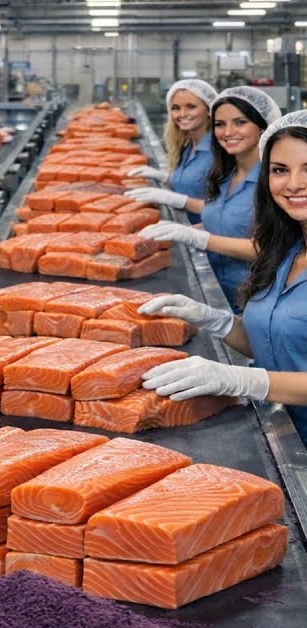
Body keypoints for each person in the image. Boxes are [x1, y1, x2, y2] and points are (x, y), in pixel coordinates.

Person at [141, 110, 307, 442]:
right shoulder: (285, 251)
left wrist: (243, 380)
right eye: (279, 170)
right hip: (283, 432)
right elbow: (273, 343)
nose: (293, 184)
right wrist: (216, 320)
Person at [128, 86, 281, 307]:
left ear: (263, 127)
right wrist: (182, 230)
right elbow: (223, 222)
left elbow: (271, 250)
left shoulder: (273, 182)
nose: (228, 132)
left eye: (240, 122)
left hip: (256, 300)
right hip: (217, 291)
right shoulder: (224, 175)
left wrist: (199, 238)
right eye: (220, 124)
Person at [126, 79, 218, 224]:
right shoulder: (188, 145)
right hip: (183, 225)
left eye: (191, 107)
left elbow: (228, 212)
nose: (182, 114)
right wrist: (164, 177)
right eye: (175, 108)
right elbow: (192, 182)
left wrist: (177, 200)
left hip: (206, 233)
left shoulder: (219, 151)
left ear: (209, 109)